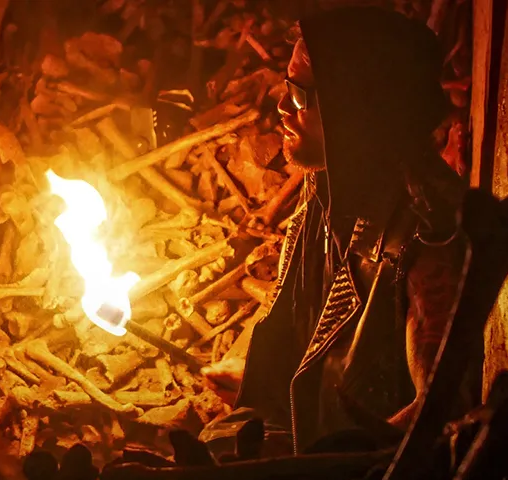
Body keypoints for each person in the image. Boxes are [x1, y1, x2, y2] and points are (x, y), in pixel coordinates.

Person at [200, 6, 472, 455]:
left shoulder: (424, 239)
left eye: (303, 95)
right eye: (287, 87)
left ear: (357, 106)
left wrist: (315, 465)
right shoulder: (331, 188)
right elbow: (302, 316)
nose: (283, 106)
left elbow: (437, 415)